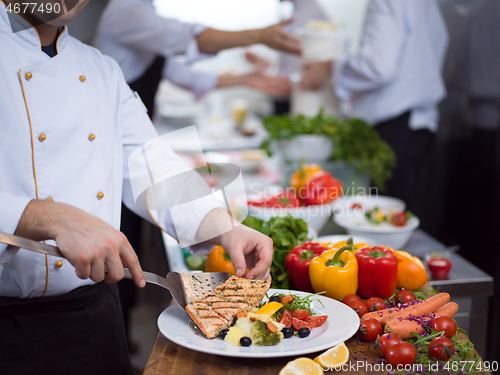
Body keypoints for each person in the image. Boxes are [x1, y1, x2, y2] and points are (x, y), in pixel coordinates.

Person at [0, 1, 273, 374]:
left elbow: (152, 166)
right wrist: (40, 215)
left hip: (95, 320)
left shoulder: (101, 70)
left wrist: (224, 227)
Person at [334, 0, 449, 214]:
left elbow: (378, 66)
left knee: (387, 217)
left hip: (395, 126)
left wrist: (334, 67)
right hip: (421, 122)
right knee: (404, 215)